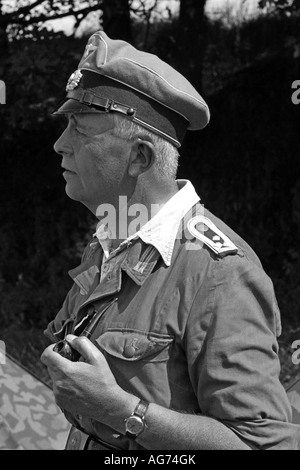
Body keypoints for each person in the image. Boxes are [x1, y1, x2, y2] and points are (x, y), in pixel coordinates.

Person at [41, 31, 300, 450]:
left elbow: (260, 444)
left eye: (81, 130)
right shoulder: (113, 237)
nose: (59, 144)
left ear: (140, 156)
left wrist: (122, 411)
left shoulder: (221, 274)